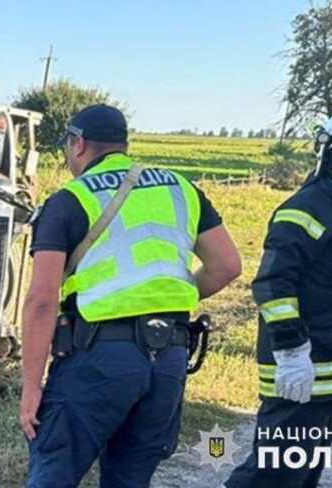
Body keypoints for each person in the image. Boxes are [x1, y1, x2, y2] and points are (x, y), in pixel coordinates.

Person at [19, 104, 242, 487]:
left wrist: (30, 385)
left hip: (98, 357)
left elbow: (42, 300)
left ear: (79, 144)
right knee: (131, 479)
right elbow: (226, 265)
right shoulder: (181, 188)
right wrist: (167, 301)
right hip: (169, 358)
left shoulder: (70, 200)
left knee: (54, 472)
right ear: (123, 144)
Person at [226, 99, 332, 488]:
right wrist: (290, 351)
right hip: (298, 365)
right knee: (271, 475)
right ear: (329, 155)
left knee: (302, 473)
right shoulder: (308, 208)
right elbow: (273, 283)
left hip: (329, 361)